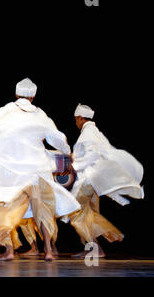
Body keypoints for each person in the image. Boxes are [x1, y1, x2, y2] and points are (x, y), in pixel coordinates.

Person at [0, 78, 80, 261]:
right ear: (33, 96)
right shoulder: (40, 115)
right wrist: (67, 153)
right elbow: (56, 137)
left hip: (10, 170)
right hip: (36, 171)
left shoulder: (4, 111)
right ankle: (49, 251)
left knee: (2, 207)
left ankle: (9, 250)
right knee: (41, 210)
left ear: (16, 94)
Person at [68, 104, 144, 258]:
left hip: (89, 179)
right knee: (89, 213)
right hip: (95, 181)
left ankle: (95, 247)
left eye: (76, 120)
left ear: (81, 118)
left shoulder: (88, 133)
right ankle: (93, 248)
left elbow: (92, 155)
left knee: (75, 211)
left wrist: (74, 161)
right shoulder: (95, 132)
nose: (75, 123)